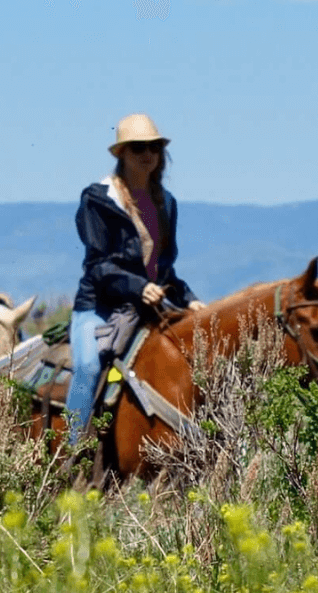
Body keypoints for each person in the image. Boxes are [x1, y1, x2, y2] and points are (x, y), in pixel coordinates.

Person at [66, 113, 205, 447]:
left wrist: (188, 299)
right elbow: (98, 266)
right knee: (87, 367)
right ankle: (70, 455)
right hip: (99, 306)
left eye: (154, 148)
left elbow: (164, 269)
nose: (148, 155)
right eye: (138, 148)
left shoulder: (166, 203)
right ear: (122, 154)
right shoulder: (98, 198)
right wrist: (139, 287)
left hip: (149, 308)